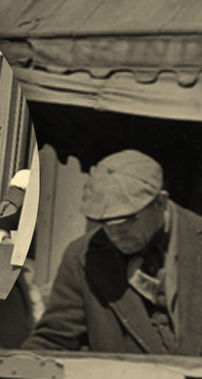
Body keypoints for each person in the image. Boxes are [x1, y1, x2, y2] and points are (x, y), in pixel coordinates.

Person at [22, 150, 202, 355]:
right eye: (105, 224)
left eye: (126, 222)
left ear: (160, 202)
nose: (115, 235)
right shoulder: (81, 256)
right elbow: (54, 339)